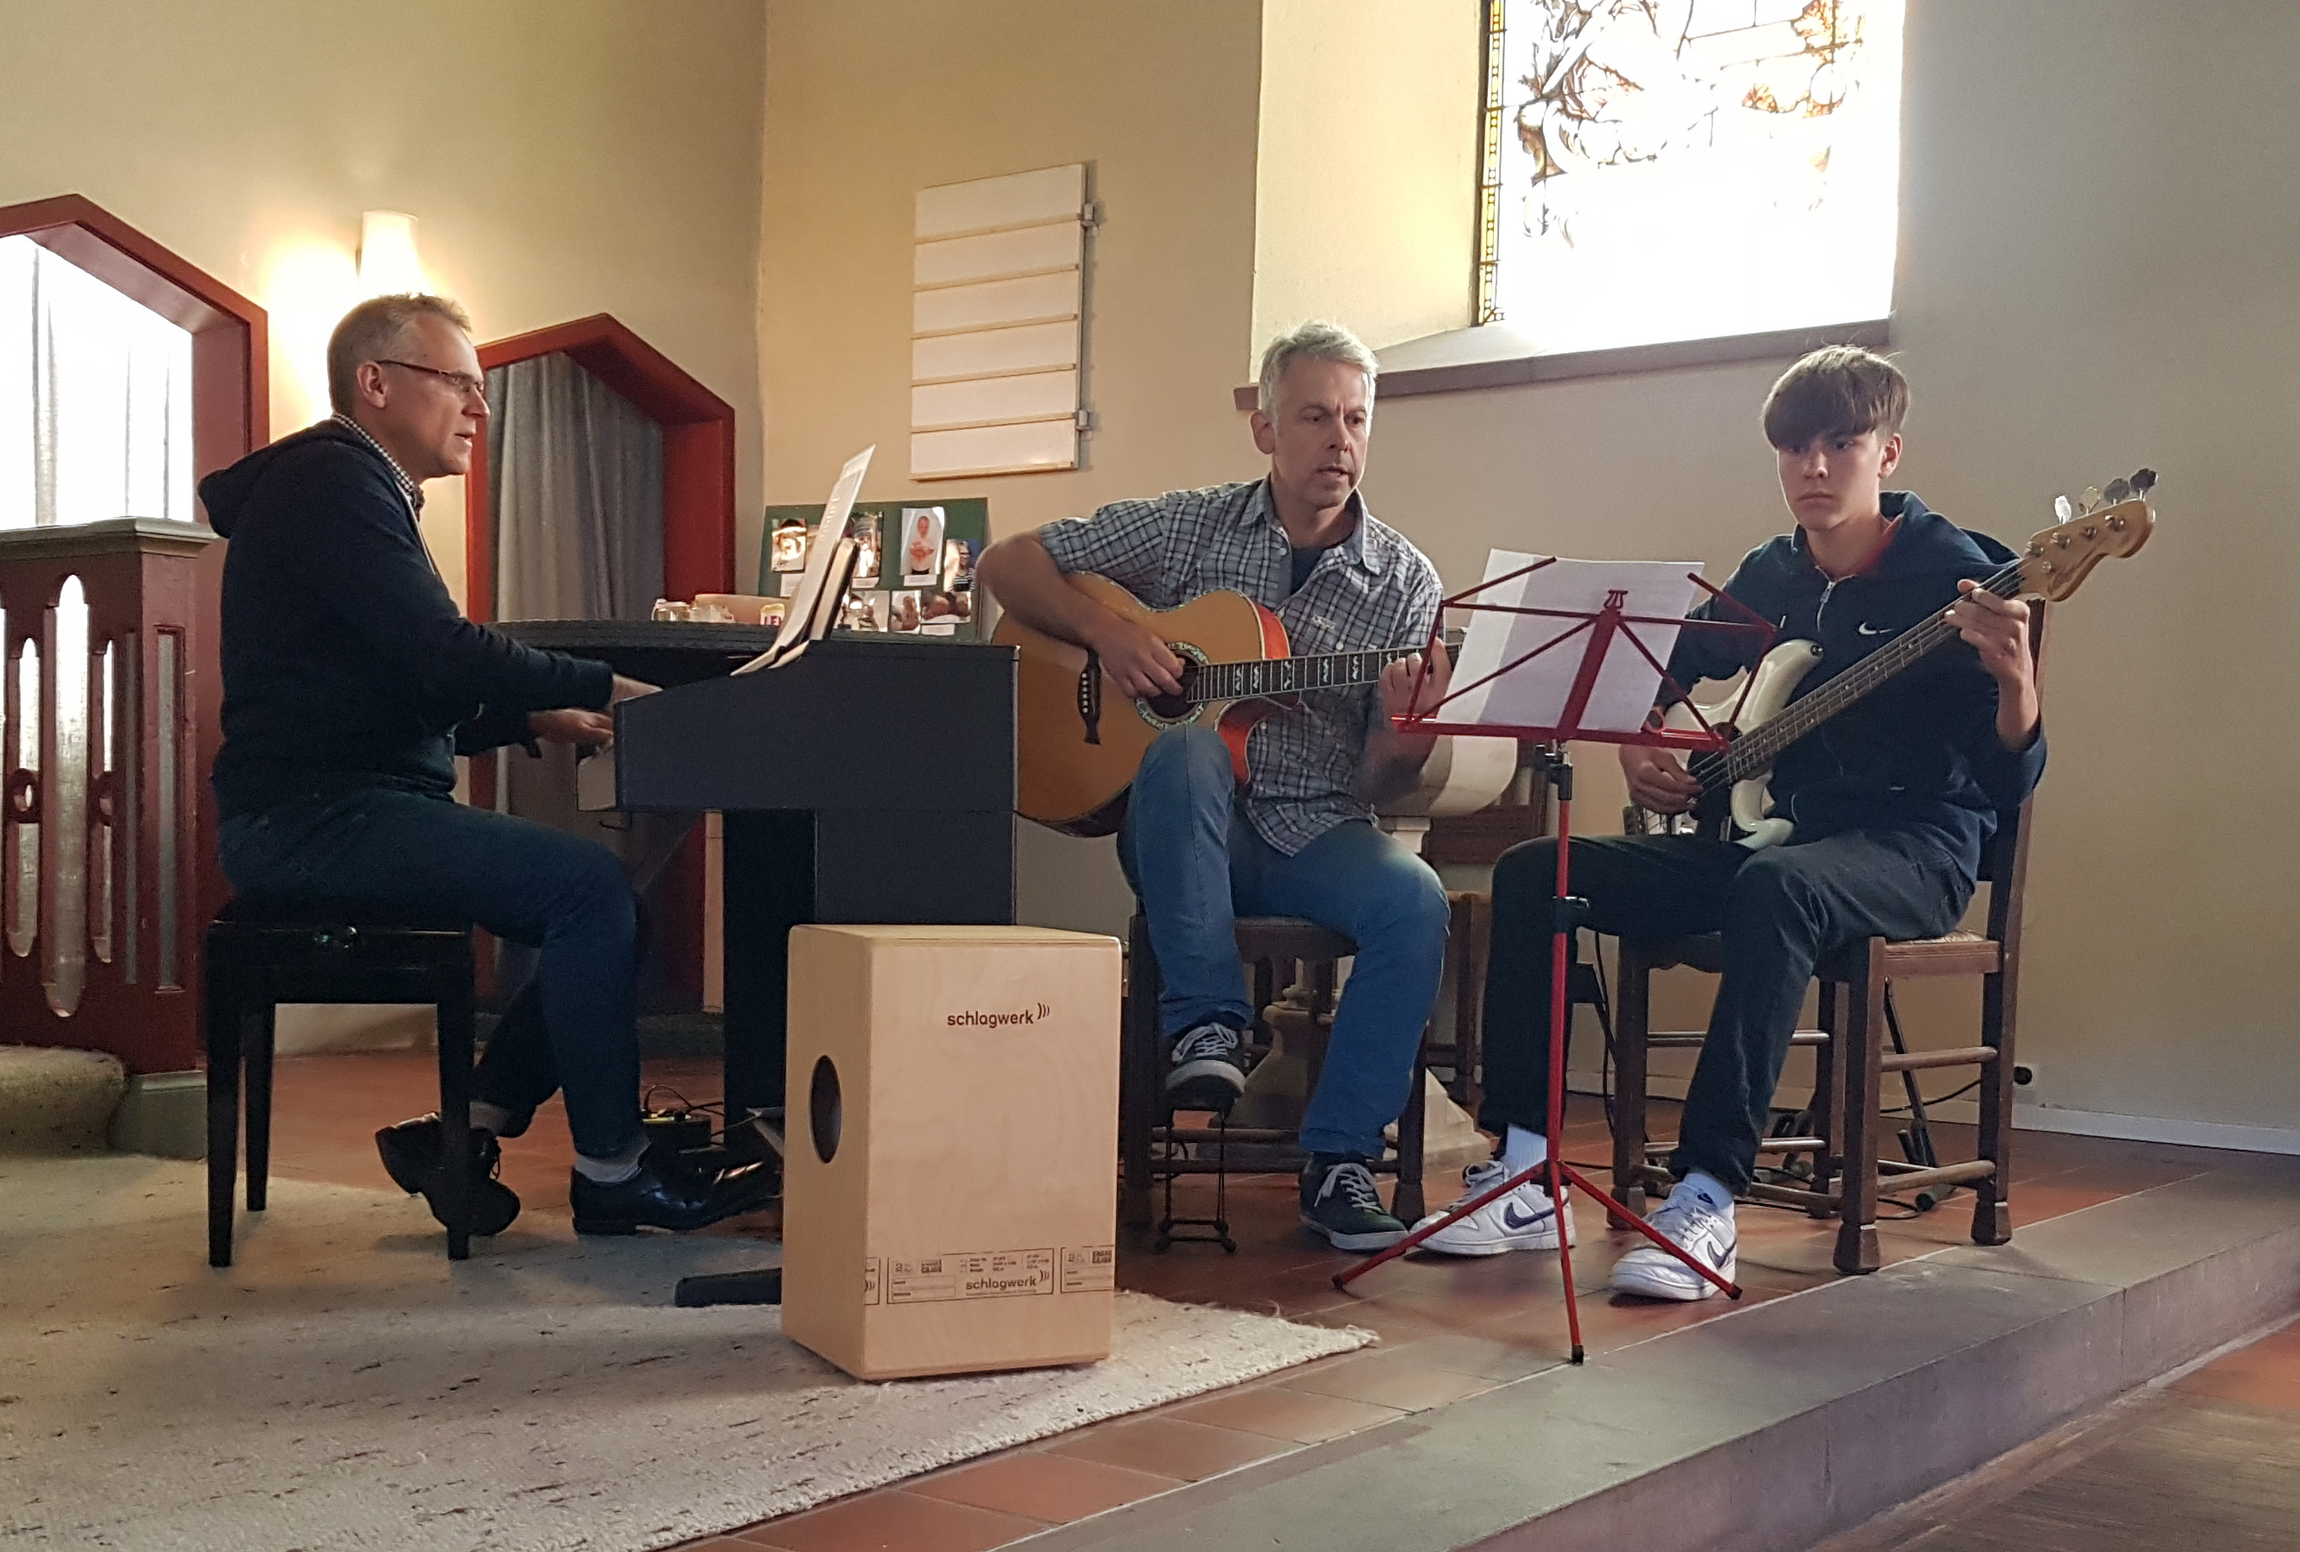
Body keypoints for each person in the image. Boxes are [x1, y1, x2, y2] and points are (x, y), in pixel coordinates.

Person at [1421, 346, 2046, 1297]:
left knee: (1774, 888)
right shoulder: (1773, 572)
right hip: (1773, 843)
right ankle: (1526, 1168)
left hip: (1912, 850)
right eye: (1795, 449)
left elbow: (2006, 778)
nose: (1816, 468)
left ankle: (1707, 1198)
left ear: (1889, 452)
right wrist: (1641, 739)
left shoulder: (1957, 578)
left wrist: (2018, 684)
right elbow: (1659, 671)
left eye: (1842, 444)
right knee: (1532, 869)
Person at [199, 292, 777, 1239]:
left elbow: (378, 695)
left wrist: (525, 712)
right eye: (458, 384)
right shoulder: (332, 482)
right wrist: (610, 686)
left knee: (610, 907)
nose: (481, 408)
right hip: (313, 821)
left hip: (328, 804)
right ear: (375, 383)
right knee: (590, 894)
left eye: (483, 388)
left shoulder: (348, 485)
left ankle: (467, 1126)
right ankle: (614, 1176)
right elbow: (441, 650)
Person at [977, 320, 1453, 1252]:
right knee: (1190, 752)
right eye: (1316, 416)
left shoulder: (1405, 583)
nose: (1340, 440)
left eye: (1357, 420)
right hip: (1182, 825)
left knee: (1416, 901)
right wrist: (1109, 637)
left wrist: (1405, 740)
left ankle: (1342, 1161)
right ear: (1265, 429)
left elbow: (1376, 778)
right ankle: (1209, 1032)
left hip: (1318, 829)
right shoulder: (1188, 527)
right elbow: (1007, 564)